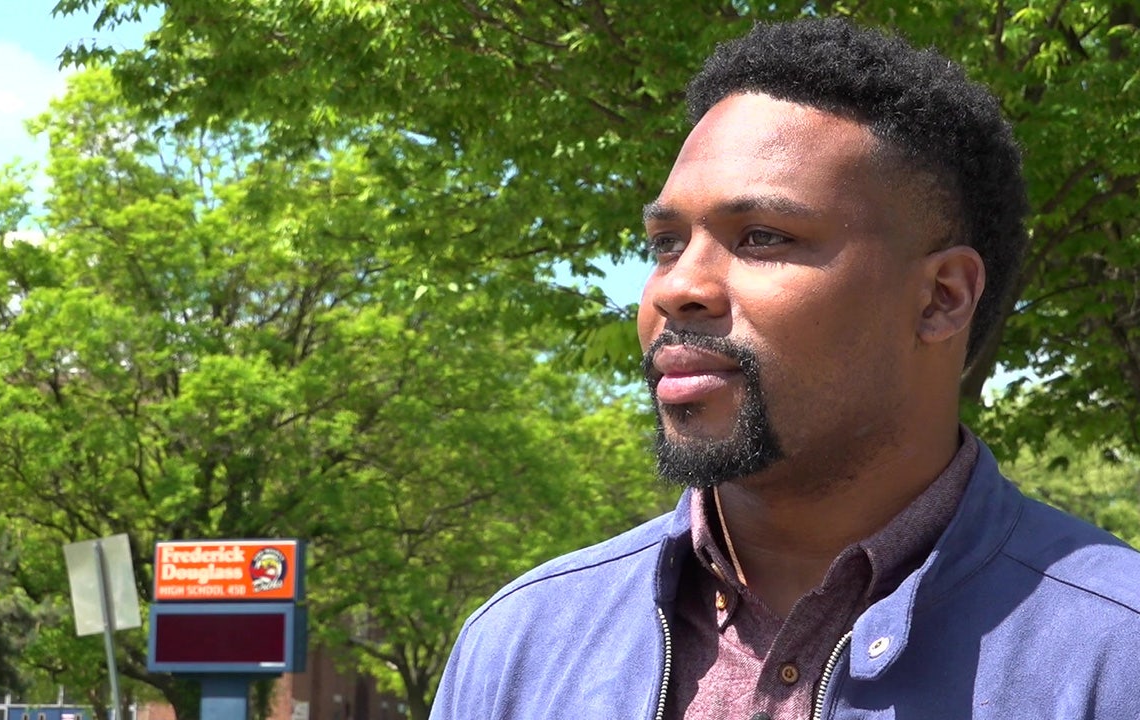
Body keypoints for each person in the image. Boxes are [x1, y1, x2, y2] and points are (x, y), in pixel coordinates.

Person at [429, 16, 1140, 720]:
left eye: (763, 237)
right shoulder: (522, 646)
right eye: (667, 243)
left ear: (940, 298)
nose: (678, 288)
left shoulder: (1115, 653)